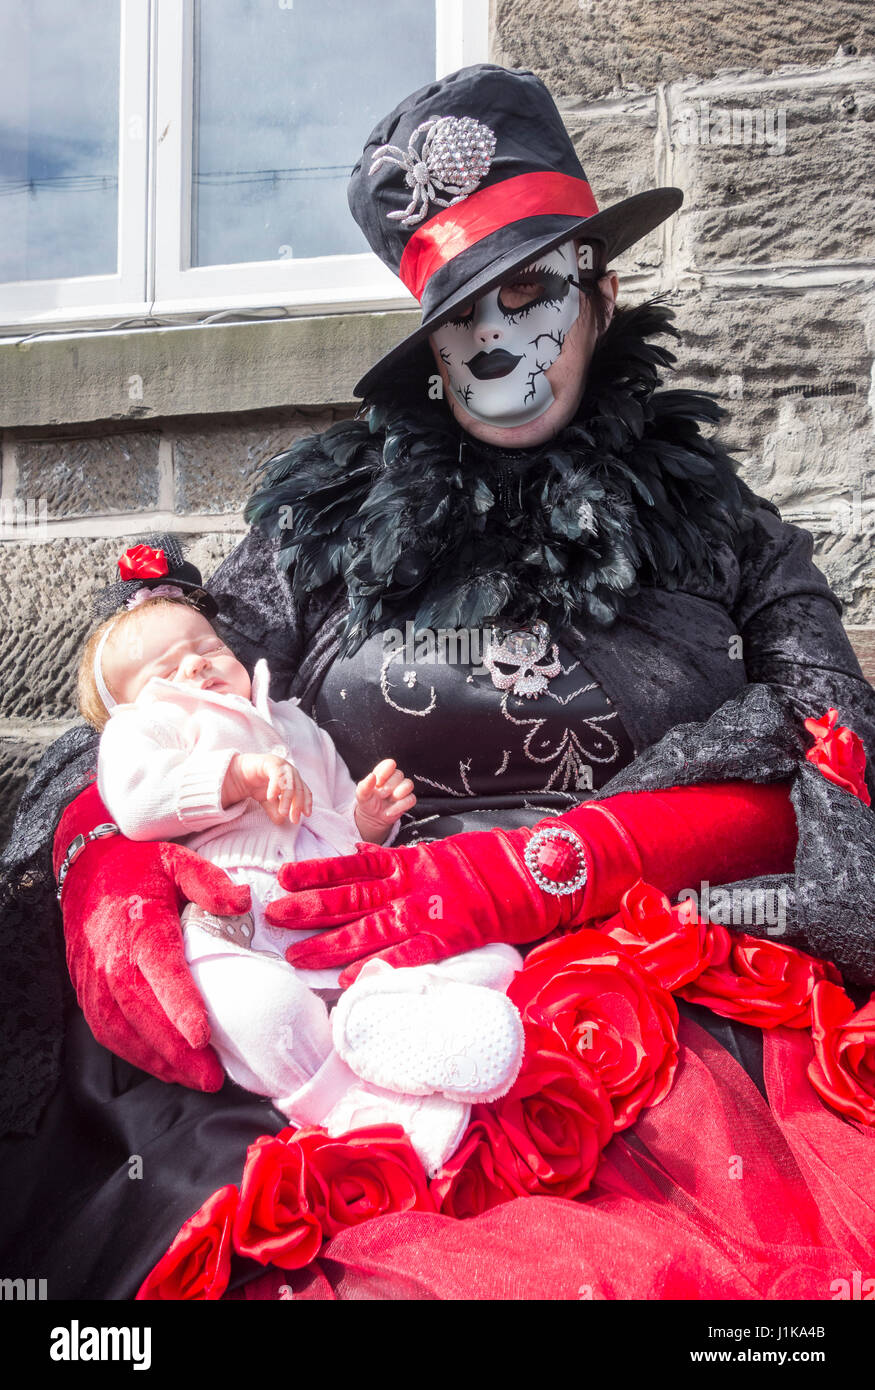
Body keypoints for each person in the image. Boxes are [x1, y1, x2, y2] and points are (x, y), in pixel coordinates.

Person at [2, 62, 874, 1301]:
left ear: (600, 292)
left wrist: (560, 866)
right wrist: (111, 869)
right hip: (337, 989)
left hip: (651, 987)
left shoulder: (727, 529)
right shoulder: (324, 521)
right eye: (460, 312)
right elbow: (163, 687)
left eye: (528, 291)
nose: (495, 339)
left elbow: (837, 745)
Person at [77, 563, 526, 1175]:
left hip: (333, 897)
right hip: (235, 914)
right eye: (166, 671)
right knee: (253, 1009)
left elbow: (334, 808)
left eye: (207, 648)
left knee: (491, 955)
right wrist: (234, 774)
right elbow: (136, 802)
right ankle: (346, 1102)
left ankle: (392, 1019)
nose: (196, 666)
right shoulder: (146, 731)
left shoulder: (292, 721)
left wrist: (367, 818)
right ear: (125, 706)